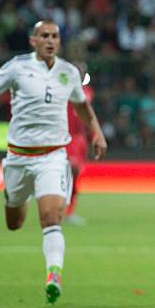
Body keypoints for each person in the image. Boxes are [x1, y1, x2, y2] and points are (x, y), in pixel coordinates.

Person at [0, 20, 108, 304]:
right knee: (15, 221)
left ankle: (54, 274)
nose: (50, 40)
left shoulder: (68, 72)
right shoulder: (17, 67)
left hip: (52, 156)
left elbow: (82, 106)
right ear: (33, 41)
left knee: (51, 219)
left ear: (59, 42)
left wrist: (96, 132)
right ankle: (16, 199)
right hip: (18, 158)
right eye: (44, 36)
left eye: (55, 36)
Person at [64, 62, 94, 225]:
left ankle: (69, 211)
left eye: (82, 71)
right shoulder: (62, 89)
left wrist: (94, 135)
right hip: (64, 136)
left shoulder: (87, 92)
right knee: (69, 169)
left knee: (76, 173)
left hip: (79, 138)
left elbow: (88, 116)